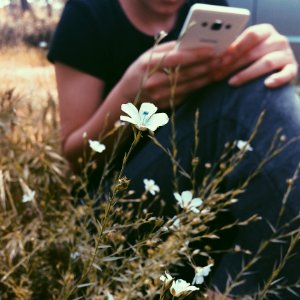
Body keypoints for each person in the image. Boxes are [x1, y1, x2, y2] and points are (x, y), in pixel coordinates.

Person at [48, 0, 300, 298]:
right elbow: (76, 158)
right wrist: (130, 96)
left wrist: (272, 67)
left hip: (198, 194)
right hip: (114, 212)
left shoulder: (210, 5)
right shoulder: (88, 11)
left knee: (264, 88)